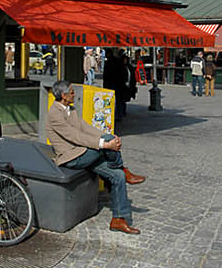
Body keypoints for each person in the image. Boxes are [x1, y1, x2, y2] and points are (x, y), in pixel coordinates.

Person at [45, 80, 147, 234]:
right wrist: (105, 144)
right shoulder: (54, 114)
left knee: (117, 176)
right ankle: (122, 168)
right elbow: (75, 136)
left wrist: (108, 136)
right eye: (72, 92)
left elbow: (85, 127)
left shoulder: (70, 109)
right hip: (71, 157)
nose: (75, 94)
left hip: (83, 152)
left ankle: (118, 220)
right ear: (64, 96)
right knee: (106, 146)